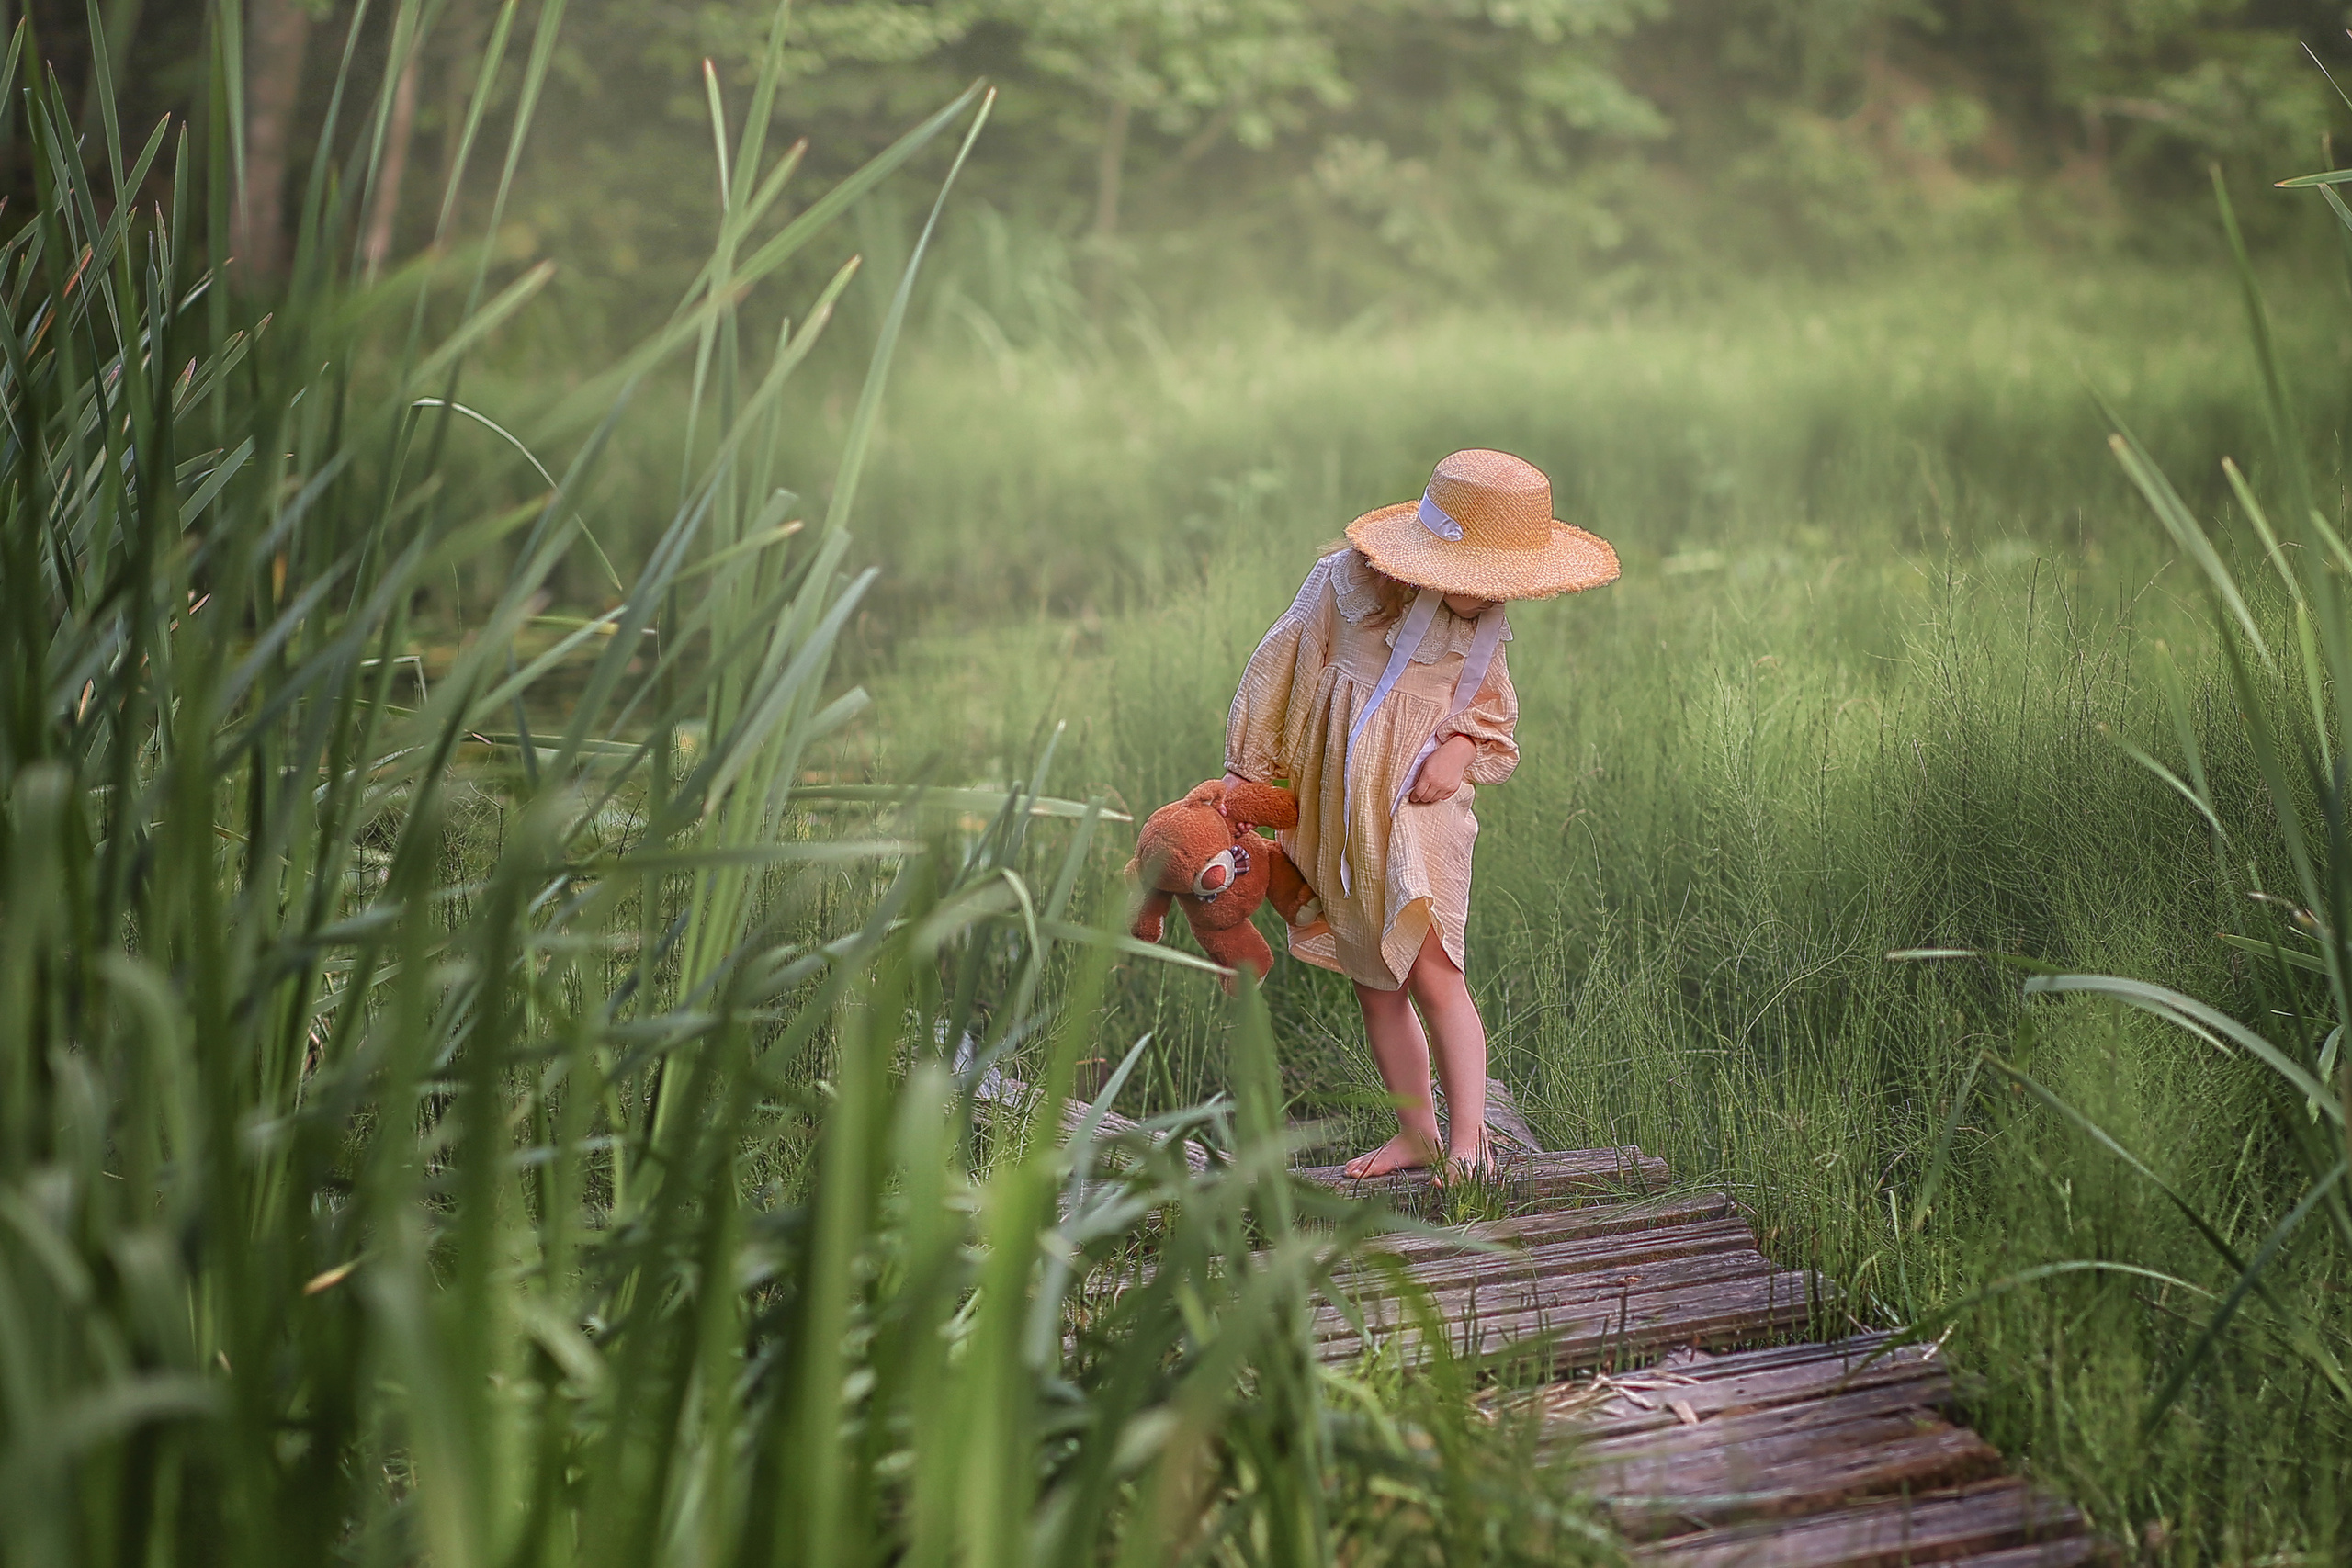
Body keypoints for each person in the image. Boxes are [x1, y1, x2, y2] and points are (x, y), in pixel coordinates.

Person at [1220, 448, 1619, 1180]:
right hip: (1347, 810)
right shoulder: (1341, 587)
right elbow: (1278, 662)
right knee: (1377, 980)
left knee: (1435, 971)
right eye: (1477, 580)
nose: (1489, 598)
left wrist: (1459, 749)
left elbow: (1492, 716)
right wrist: (1247, 776)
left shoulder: (1484, 627)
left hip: (1422, 808)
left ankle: (1468, 1139)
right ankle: (1417, 1132)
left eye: (1501, 586)